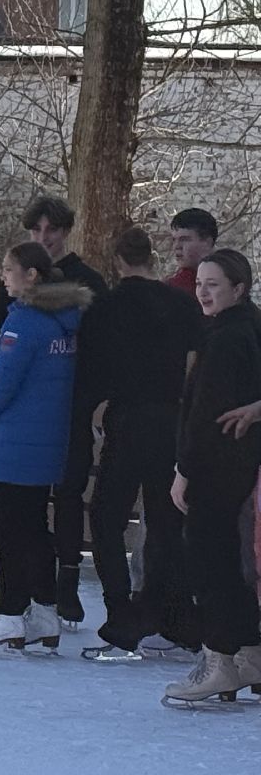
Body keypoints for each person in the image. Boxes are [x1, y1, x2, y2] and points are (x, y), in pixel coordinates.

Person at [74, 226, 203, 660]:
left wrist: (94, 413)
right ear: (152, 257)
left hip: (126, 419)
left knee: (108, 517)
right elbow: (193, 364)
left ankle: (121, 611)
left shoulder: (105, 308)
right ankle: (168, 613)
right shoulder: (181, 303)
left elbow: (89, 372)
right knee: (166, 523)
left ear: (117, 261)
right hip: (170, 419)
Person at [0, 194, 107, 628]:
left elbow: (92, 355)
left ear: (66, 232)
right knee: (33, 515)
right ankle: (43, 602)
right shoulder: (12, 292)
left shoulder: (85, 284)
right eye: (36, 230)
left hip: (59, 413)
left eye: (51, 229)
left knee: (57, 503)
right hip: (32, 417)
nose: (43, 237)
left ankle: (50, 597)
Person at [0, 241, 91, 653]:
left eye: (9, 269)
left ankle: (8, 614)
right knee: (36, 529)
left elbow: (3, 383)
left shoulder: (24, 323)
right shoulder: (63, 322)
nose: (3, 276)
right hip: (44, 444)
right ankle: (44, 612)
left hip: (13, 445)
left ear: (31, 275)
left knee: (5, 532)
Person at [162, 250, 261, 704]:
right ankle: (249, 652)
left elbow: (204, 414)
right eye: (200, 283)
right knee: (223, 560)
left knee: (210, 561)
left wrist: (184, 470)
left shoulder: (228, 337)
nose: (202, 291)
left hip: (217, 466)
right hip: (235, 464)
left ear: (238, 289)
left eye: (213, 284)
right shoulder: (243, 327)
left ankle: (219, 659)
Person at [167, 208, 218, 292]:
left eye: (184, 239)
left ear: (207, 242)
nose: (176, 246)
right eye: (174, 240)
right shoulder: (172, 286)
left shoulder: (227, 281)